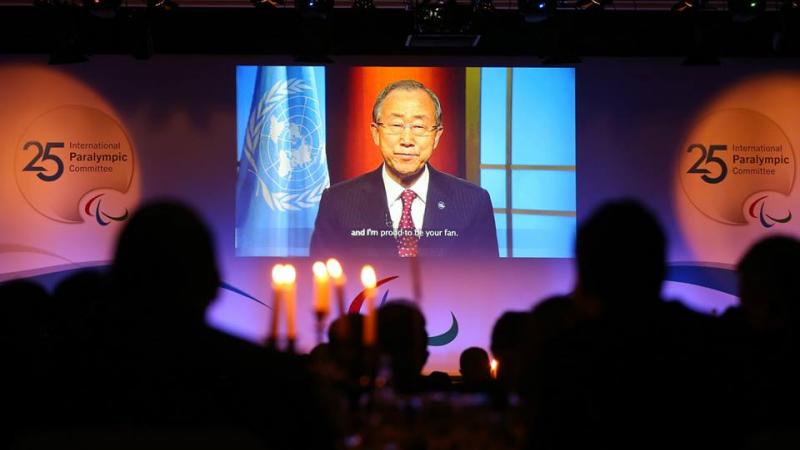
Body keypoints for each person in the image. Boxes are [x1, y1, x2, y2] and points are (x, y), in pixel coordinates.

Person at [310, 79, 498, 258]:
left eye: (418, 126)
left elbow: (488, 282)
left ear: (437, 136)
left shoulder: (473, 202)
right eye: (396, 125)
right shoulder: (337, 202)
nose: (406, 140)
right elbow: (321, 281)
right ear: (376, 133)